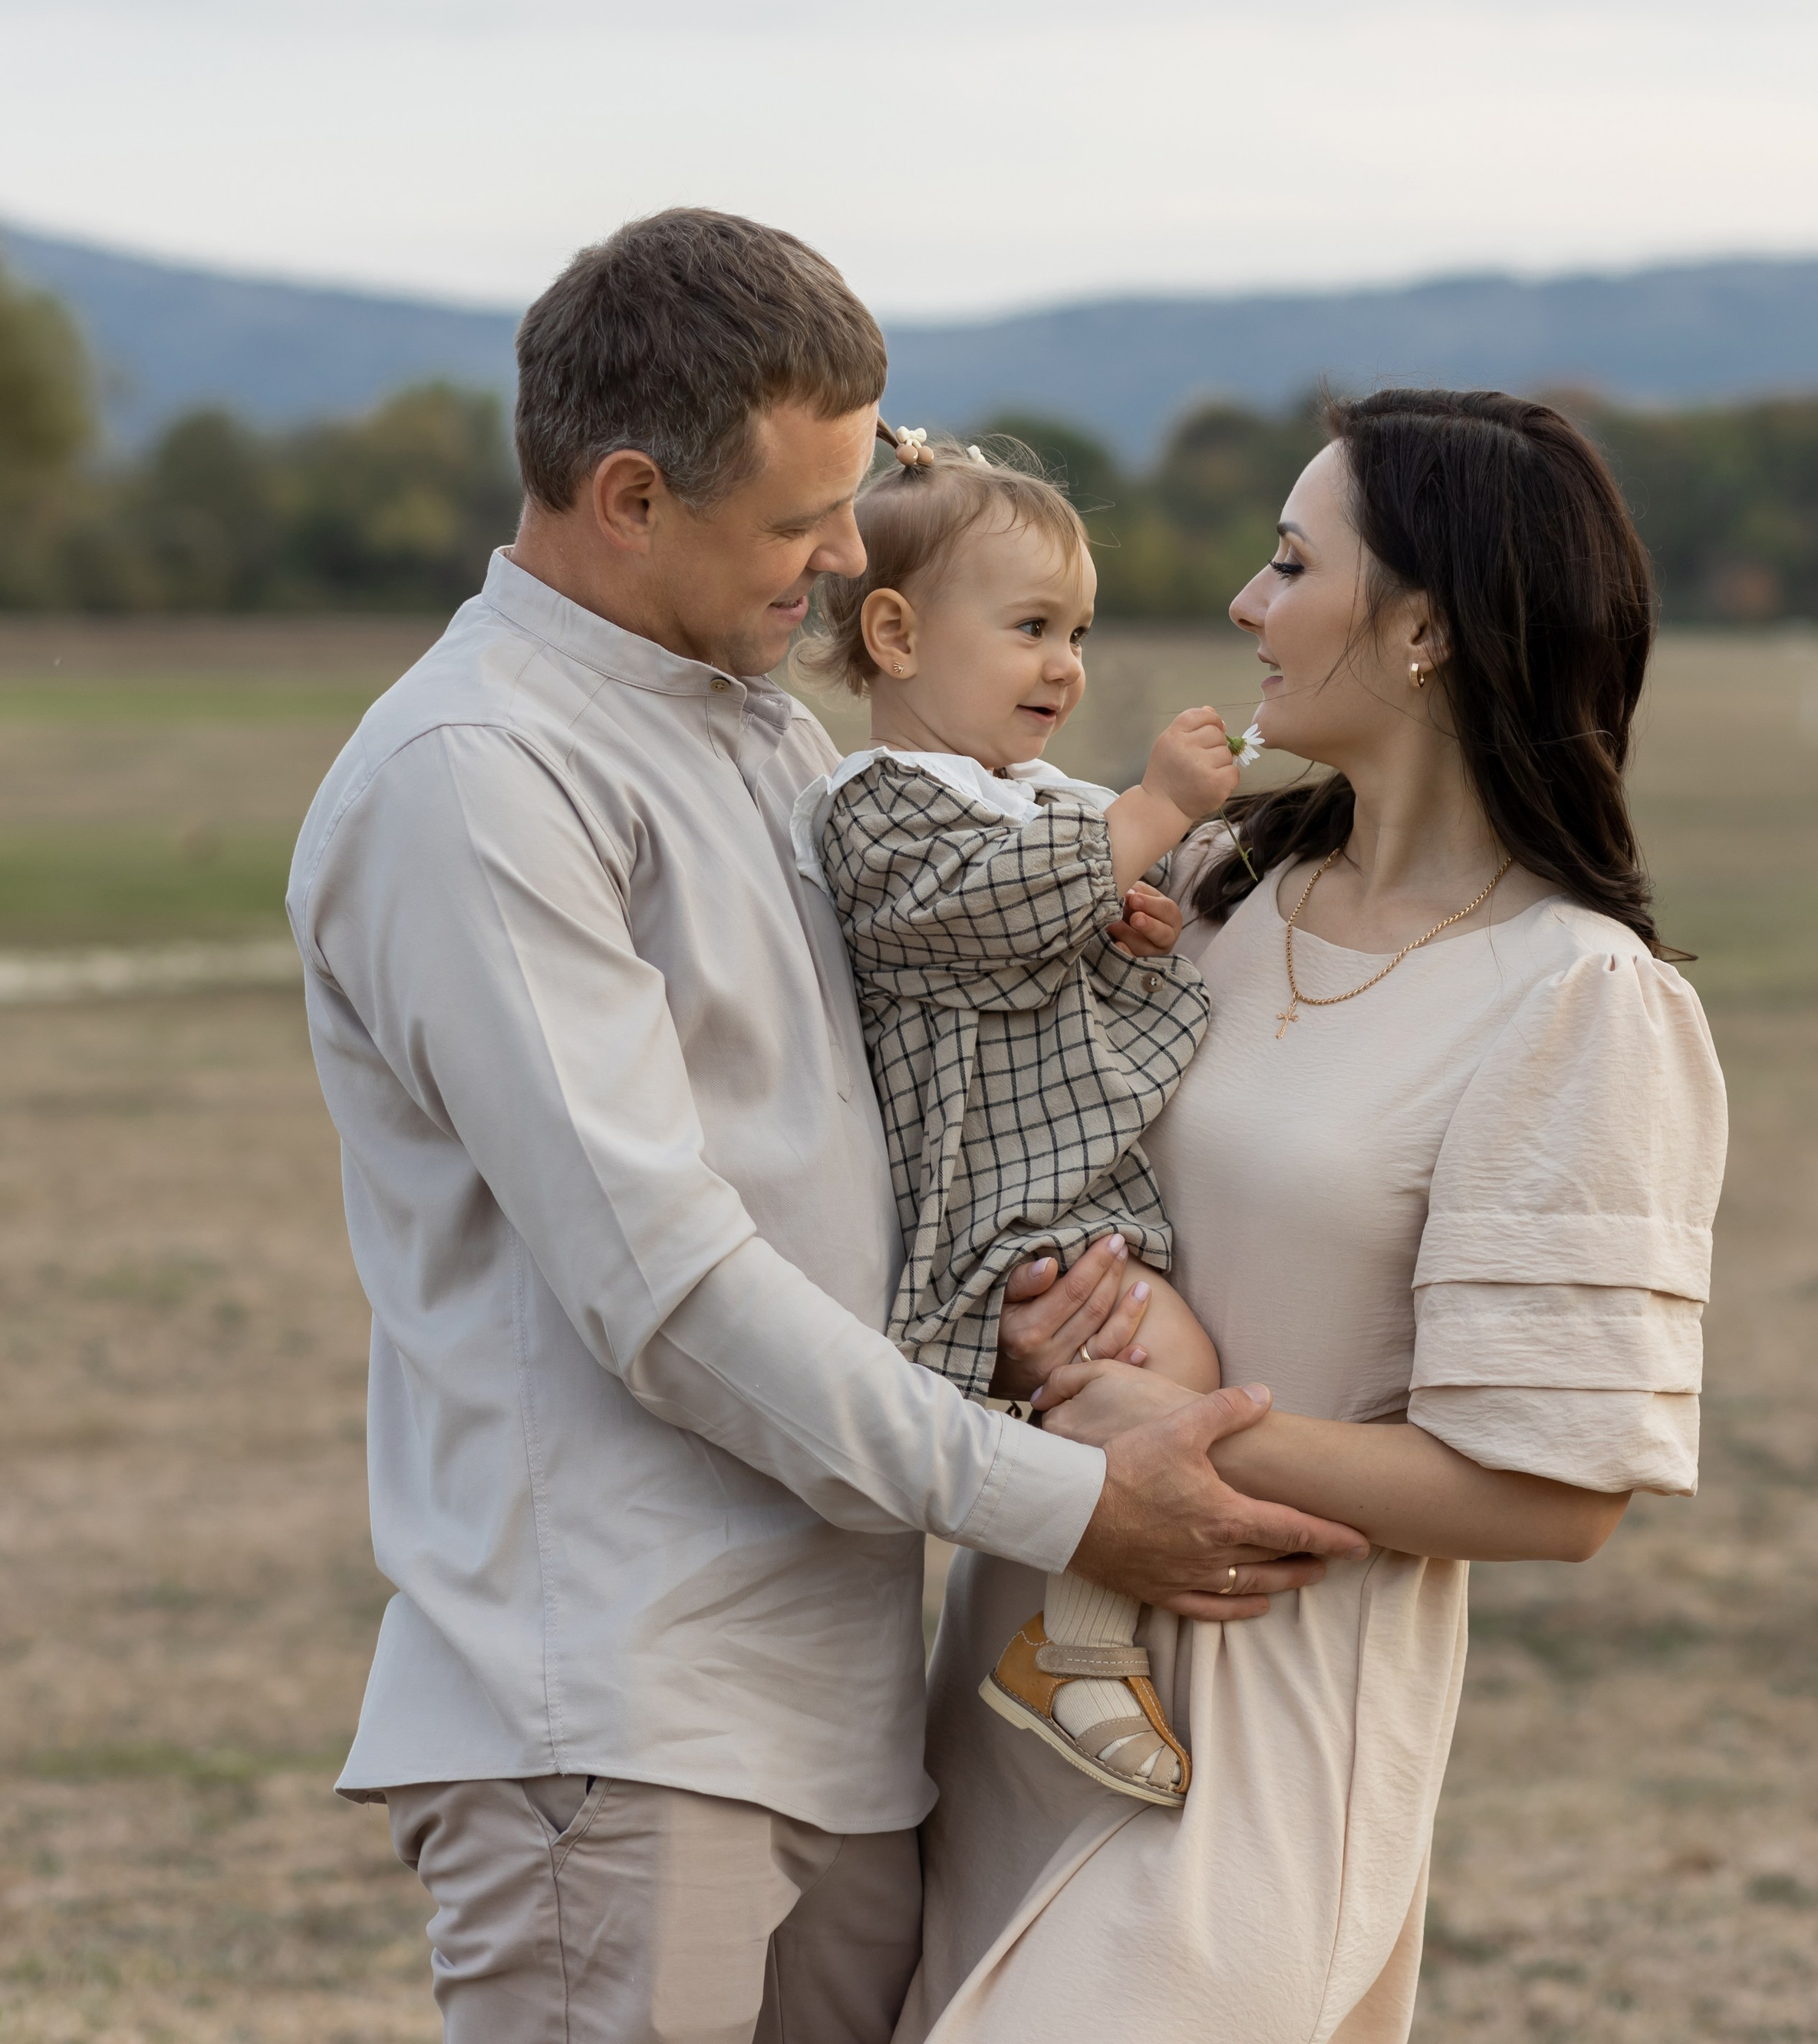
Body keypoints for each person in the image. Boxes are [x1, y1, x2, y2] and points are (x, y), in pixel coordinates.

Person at [286, 206, 1356, 2044]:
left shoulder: (769, 740)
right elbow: (671, 1289)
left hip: (840, 1711)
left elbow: (867, 1133)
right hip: (613, 1722)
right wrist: (1077, 1502)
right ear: (627, 496)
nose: (852, 555)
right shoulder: (478, 778)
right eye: (801, 522)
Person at [901, 388, 1729, 2044]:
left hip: (1253, 1753)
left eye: (1290, 562)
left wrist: (1181, 1433)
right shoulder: (1201, 894)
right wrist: (1020, 1331)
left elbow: (1556, 1496)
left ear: (1421, 623)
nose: (1243, 605)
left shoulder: (1573, 999)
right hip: (1014, 1690)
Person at [794, 424, 1239, 1806]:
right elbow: (988, 914)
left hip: (1056, 1181)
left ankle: (1077, 1639)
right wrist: (1151, 810)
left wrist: (1135, 930)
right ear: (898, 633)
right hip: (983, 1203)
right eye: (1033, 626)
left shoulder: (1035, 802)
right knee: (1166, 1366)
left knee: (1161, 1366)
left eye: (1081, 630)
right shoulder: (878, 806)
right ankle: (1083, 1645)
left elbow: (1062, 932)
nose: (1068, 664)